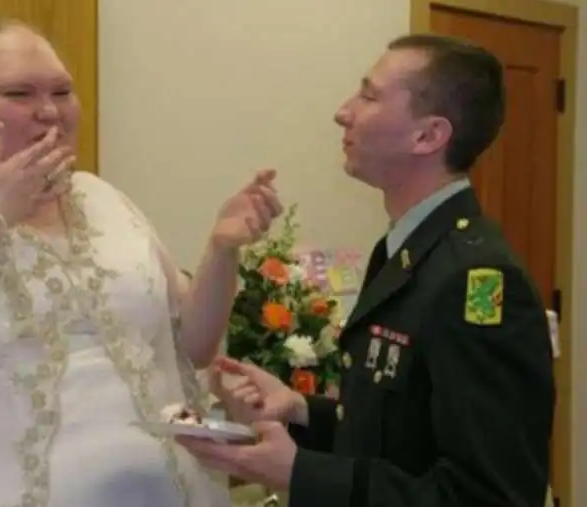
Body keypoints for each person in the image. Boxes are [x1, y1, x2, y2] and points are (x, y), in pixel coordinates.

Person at [0, 19, 283, 507]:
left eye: (62, 92)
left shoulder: (103, 199)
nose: (48, 111)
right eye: (18, 93)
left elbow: (191, 344)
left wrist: (222, 250)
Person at [178, 34, 555, 507]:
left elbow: (490, 496)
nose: (343, 112)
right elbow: (400, 438)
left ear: (428, 136)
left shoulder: (477, 280)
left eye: (369, 96)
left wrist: (300, 472)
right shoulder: (407, 249)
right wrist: (299, 410)